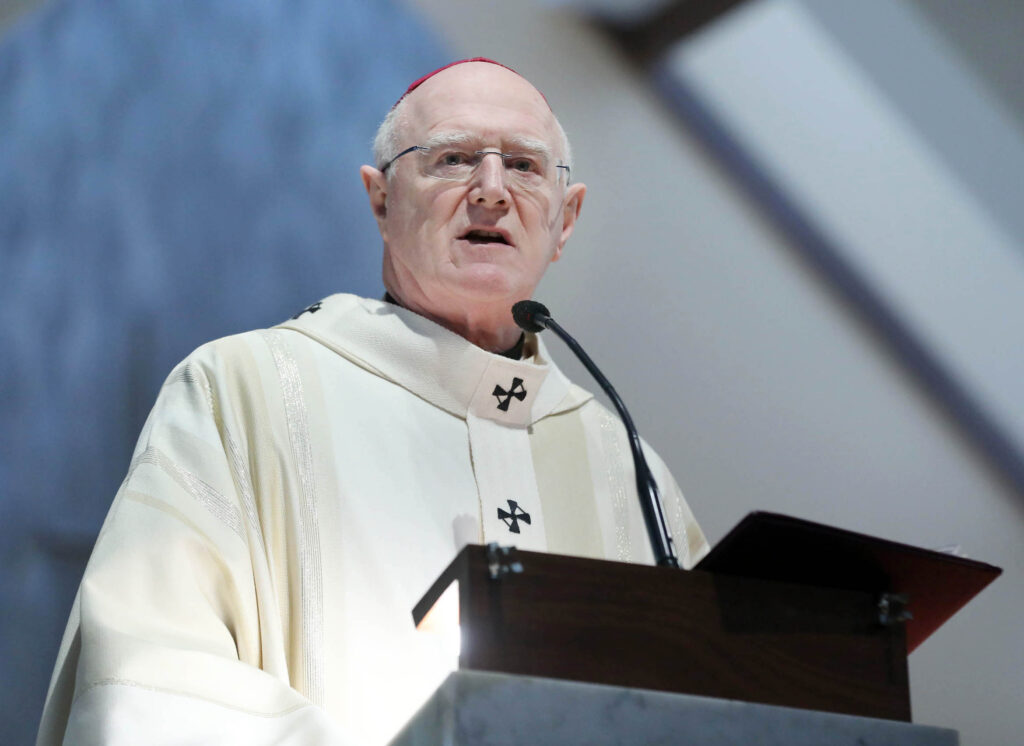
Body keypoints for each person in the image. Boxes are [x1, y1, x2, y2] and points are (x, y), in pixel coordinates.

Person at [37, 58, 708, 745]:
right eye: (452, 158)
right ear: (381, 199)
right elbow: (151, 676)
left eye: (525, 166)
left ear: (566, 220)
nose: (491, 190)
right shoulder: (244, 389)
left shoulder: (628, 471)